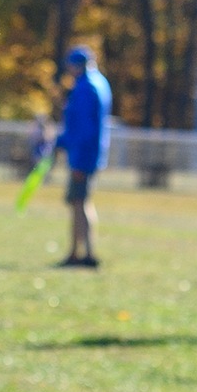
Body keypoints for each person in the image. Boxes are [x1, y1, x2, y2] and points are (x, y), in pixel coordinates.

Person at [56, 44, 112, 268]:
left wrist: (65, 143)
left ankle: (80, 253)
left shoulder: (86, 87)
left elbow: (83, 127)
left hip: (83, 154)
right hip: (90, 153)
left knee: (79, 202)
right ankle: (82, 251)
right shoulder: (99, 83)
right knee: (82, 201)